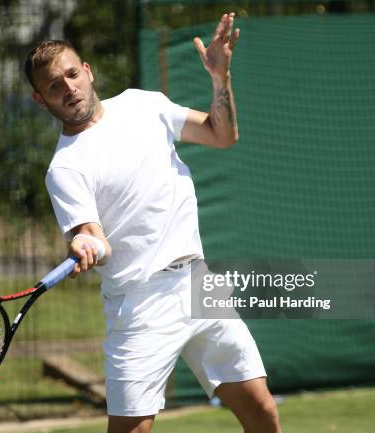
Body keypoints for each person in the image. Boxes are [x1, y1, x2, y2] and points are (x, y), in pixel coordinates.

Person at [24, 12, 282, 433]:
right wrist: (87, 246)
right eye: (54, 85)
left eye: (72, 74)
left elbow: (222, 134)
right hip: (139, 304)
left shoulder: (145, 105)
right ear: (42, 99)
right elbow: (93, 237)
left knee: (262, 411)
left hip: (200, 284)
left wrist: (220, 78)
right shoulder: (65, 168)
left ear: (87, 72)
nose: (68, 87)